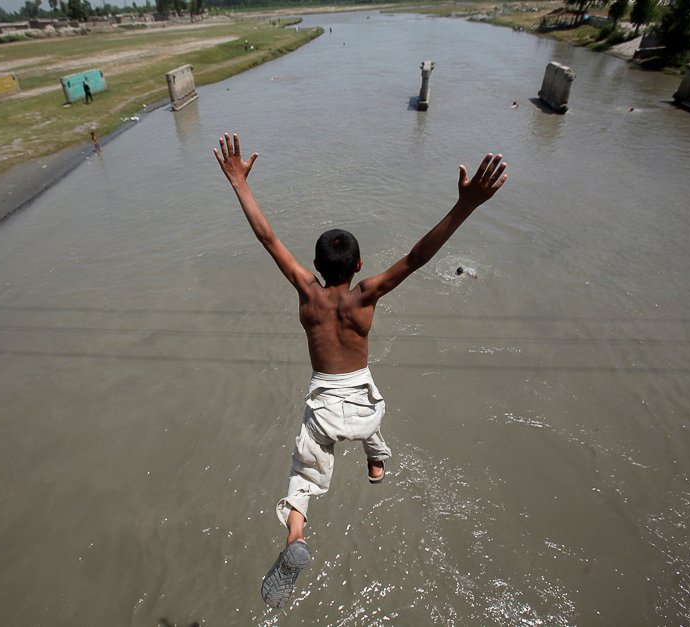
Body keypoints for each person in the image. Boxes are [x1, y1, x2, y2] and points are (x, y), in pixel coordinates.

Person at [213, 133, 508, 608]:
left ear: (314, 265)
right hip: (363, 403)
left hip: (324, 408)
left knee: (301, 478)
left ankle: (295, 542)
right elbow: (417, 258)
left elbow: (267, 238)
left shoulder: (308, 293)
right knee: (372, 407)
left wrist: (239, 183)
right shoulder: (366, 294)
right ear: (360, 264)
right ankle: (375, 463)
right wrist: (466, 205)